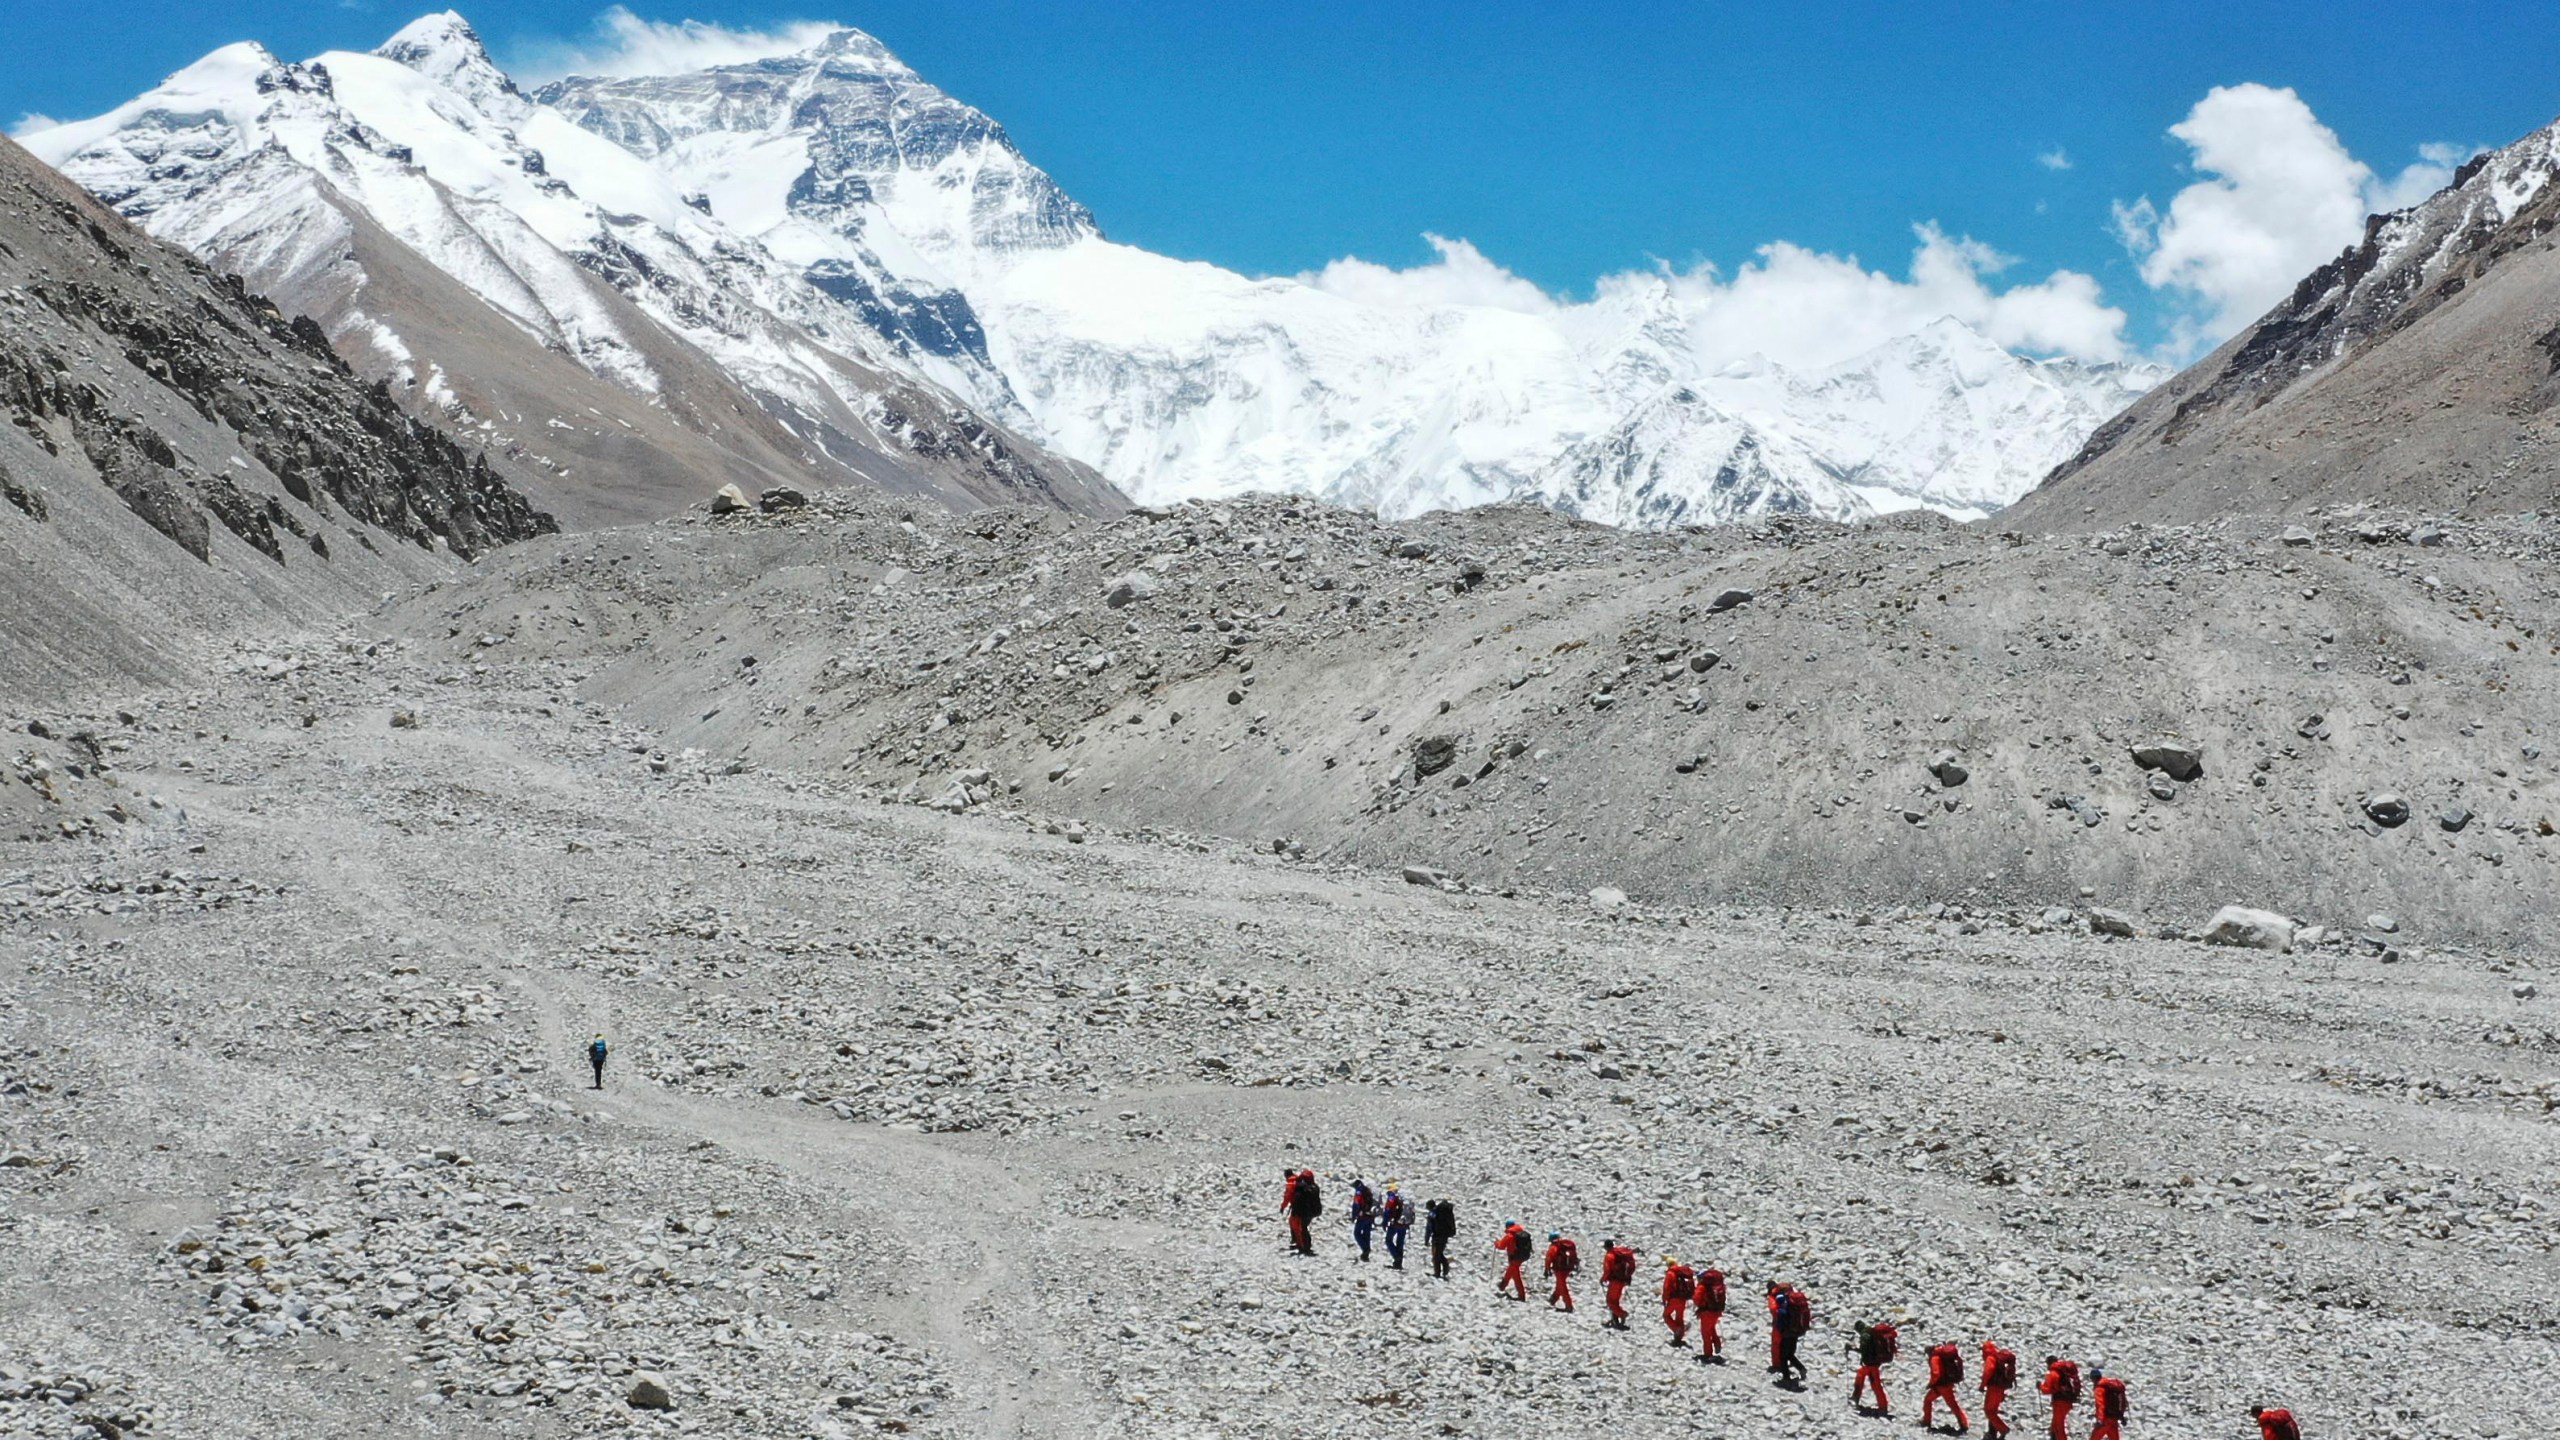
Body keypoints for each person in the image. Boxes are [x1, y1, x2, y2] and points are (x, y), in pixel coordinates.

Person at [1850, 1319, 1897, 1416]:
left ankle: (1883, 1407)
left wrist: (1853, 1349)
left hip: (1871, 1364)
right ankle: (1855, 1397)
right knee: (1860, 1375)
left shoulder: (1865, 1335)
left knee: (1876, 1386)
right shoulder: (1872, 1333)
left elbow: (1864, 1350)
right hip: (1874, 1363)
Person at [1921, 1340, 1969, 1434]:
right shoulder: (1943, 1355)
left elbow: (1936, 1373)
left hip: (1941, 1386)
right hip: (1947, 1384)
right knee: (1952, 1404)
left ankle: (1927, 1422)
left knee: (1929, 1401)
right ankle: (1964, 1424)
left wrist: (1930, 1384)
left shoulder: (1935, 1358)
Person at [1980, 1341, 2018, 1440]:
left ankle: (2003, 1429)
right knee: (1994, 1410)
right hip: (2001, 1388)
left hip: (1993, 1388)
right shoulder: (1999, 1358)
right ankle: (1993, 1432)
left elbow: (1988, 1371)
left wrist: (1982, 1385)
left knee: (1989, 1411)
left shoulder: (1991, 1358)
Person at [2037, 1356, 2080, 1440]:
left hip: (2059, 1403)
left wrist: (2040, 1387)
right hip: (2067, 1401)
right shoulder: (2063, 1373)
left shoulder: (2053, 1374)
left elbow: (2048, 1390)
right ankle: (2053, 1437)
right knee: (2056, 1423)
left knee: (2058, 1427)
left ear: (2049, 1363)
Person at [1600, 1239, 1638, 1329]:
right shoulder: (1620, 1253)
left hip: (1615, 1281)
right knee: (1615, 1301)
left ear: (1606, 1247)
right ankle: (1614, 1320)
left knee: (1610, 1301)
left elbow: (1607, 1270)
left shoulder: (1609, 1256)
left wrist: (1602, 1279)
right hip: (1623, 1280)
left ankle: (1622, 1314)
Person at [1693, 1266, 1727, 1362]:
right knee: (1711, 1328)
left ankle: (1708, 1354)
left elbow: (1696, 1299)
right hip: (1717, 1311)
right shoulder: (1717, 1285)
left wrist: (1700, 1306)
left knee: (1705, 1333)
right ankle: (1717, 1344)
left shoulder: (1703, 1286)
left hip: (1706, 1311)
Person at [1285, 1169, 1323, 1256]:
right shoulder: (1314, 1187)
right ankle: (1303, 1245)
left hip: (1306, 1212)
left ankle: (1305, 1247)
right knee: (1303, 1228)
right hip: (1312, 1211)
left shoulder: (1305, 1189)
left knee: (1302, 1229)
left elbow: (1300, 1199)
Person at [1660, 1258, 1696, 1347]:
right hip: (1683, 1299)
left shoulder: (1670, 1273)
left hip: (1674, 1299)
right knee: (1679, 1318)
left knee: (1666, 1315)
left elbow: (1667, 1288)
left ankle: (1676, 1330)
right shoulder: (1682, 1273)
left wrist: (1665, 1299)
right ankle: (1679, 1338)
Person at [1493, 1221, 1533, 1300]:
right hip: (1521, 1257)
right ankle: (1502, 1286)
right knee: (1513, 1272)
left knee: (1516, 1275)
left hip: (1514, 1258)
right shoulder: (1522, 1233)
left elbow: (1501, 1246)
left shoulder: (1510, 1235)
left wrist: (1496, 1243)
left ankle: (1521, 1295)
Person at [1542, 1232, 1580, 1311]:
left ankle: (1569, 1306)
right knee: (1560, 1284)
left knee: (1563, 1287)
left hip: (1559, 1269)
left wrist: (1547, 1269)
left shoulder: (1554, 1247)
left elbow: (1548, 1259)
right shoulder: (1567, 1245)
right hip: (1568, 1268)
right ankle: (1553, 1299)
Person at [2088, 1368, 2127, 1440]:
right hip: (2114, 1418)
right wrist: (2121, 1416)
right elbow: (2123, 1402)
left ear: (2093, 1378)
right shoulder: (2111, 1387)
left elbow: (2101, 1405)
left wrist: (2100, 1420)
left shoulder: (2100, 1388)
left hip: (2105, 1419)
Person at [1425, 1198, 1458, 1278]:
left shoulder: (1433, 1214)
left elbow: (1429, 1228)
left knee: (1436, 1254)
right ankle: (1444, 1268)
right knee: (1438, 1253)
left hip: (1437, 1236)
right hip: (1444, 1235)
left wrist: (1426, 1239)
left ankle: (1437, 1273)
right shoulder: (1440, 1212)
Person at [1381, 1185, 1411, 1270]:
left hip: (1395, 1223)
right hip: (1405, 1224)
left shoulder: (1392, 1198)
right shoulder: (1404, 1199)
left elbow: (1388, 1210)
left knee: (1388, 1240)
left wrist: (1385, 1222)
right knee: (1400, 1242)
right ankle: (1398, 1263)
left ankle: (1396, 1256)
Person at [1348, 1180, 1378, 1263]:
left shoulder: (1359, 1192)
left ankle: (1365, 1249)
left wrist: (1354, 1216)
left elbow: (1356, 1205)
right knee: (1366, 1234)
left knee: (1357, 1233)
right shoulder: (1368, 1190)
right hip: (1370, 1216)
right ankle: (1366, 1253)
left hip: (1363, 1216)